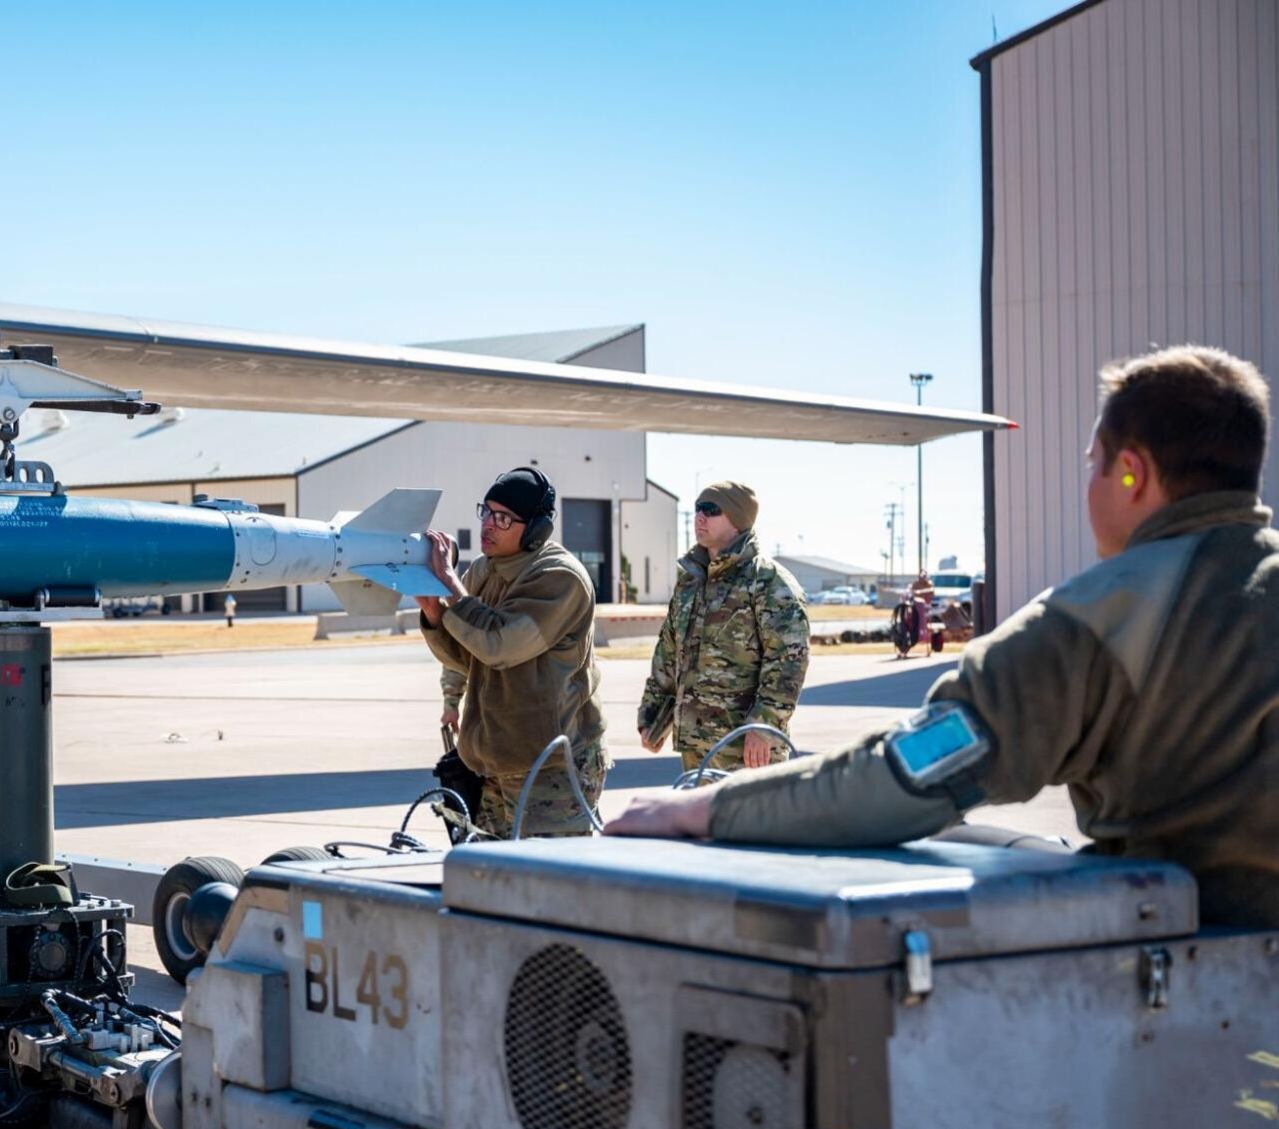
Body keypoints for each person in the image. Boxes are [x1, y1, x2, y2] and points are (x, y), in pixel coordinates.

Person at [606, 345, 1279, 928]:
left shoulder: (1107, 616)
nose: (1090, 484)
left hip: (1201, 987)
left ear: (1131, 474)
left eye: (1094, 464)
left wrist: (706, 808)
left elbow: (909, 773)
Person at [418, 467, 605, 837]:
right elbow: (468, 656)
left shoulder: (559, 576)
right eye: (486, 511)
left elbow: (500, 644)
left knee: (549, 883)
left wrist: (453, 590)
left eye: (503, 518)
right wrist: (435, 614)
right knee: (494, 880)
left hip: (552, 766)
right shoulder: (483, 572)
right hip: (495, 766)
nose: (489, 523)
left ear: (535, 529)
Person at [637, 481, 810, 773]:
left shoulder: (767, 580)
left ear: (738, 520)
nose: (700, 517)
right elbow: (669, 650)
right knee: (702, 820)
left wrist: (763, 726)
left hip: (747, 750)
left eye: (711, 510)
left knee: (749, 820)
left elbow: (788, 661)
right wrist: (653, 716)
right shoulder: (691, 581)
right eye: (698, 509)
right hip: (696, 746)